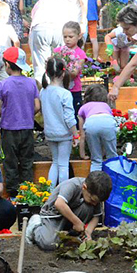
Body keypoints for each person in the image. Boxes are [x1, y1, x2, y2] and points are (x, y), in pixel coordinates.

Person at [0, 48, 39, 197]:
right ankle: (27, 192)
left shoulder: (3, 84)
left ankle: (13, 193)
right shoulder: (32, 83)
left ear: (7, 65)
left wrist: (8, 114)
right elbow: (37, 106)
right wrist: (27, 114)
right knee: (27, 161)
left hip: (9, 128)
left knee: (10, 161)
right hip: (27, 128)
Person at [24, 172, 112, 252]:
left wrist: (88, 233)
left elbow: (96, 216)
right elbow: (59, 204)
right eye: (92, 200)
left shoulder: (94, 193)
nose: (95, 203)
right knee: (49, 244)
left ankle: (70, 233)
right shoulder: (72, 185)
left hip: (71, 215)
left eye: (97, 202)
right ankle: (35, 227)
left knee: (88, 207)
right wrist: (77, 222)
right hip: (53, 216)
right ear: (84, 187)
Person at [39, 55, 78, 189]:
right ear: (63, 73)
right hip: (64, 133)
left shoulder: (43, 91)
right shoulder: (65, 93)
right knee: (63, 164)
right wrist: (75, 134)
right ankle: (63, 193)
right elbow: (69, 118)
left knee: (55, 162)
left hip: (50, 132)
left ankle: (49, 193)